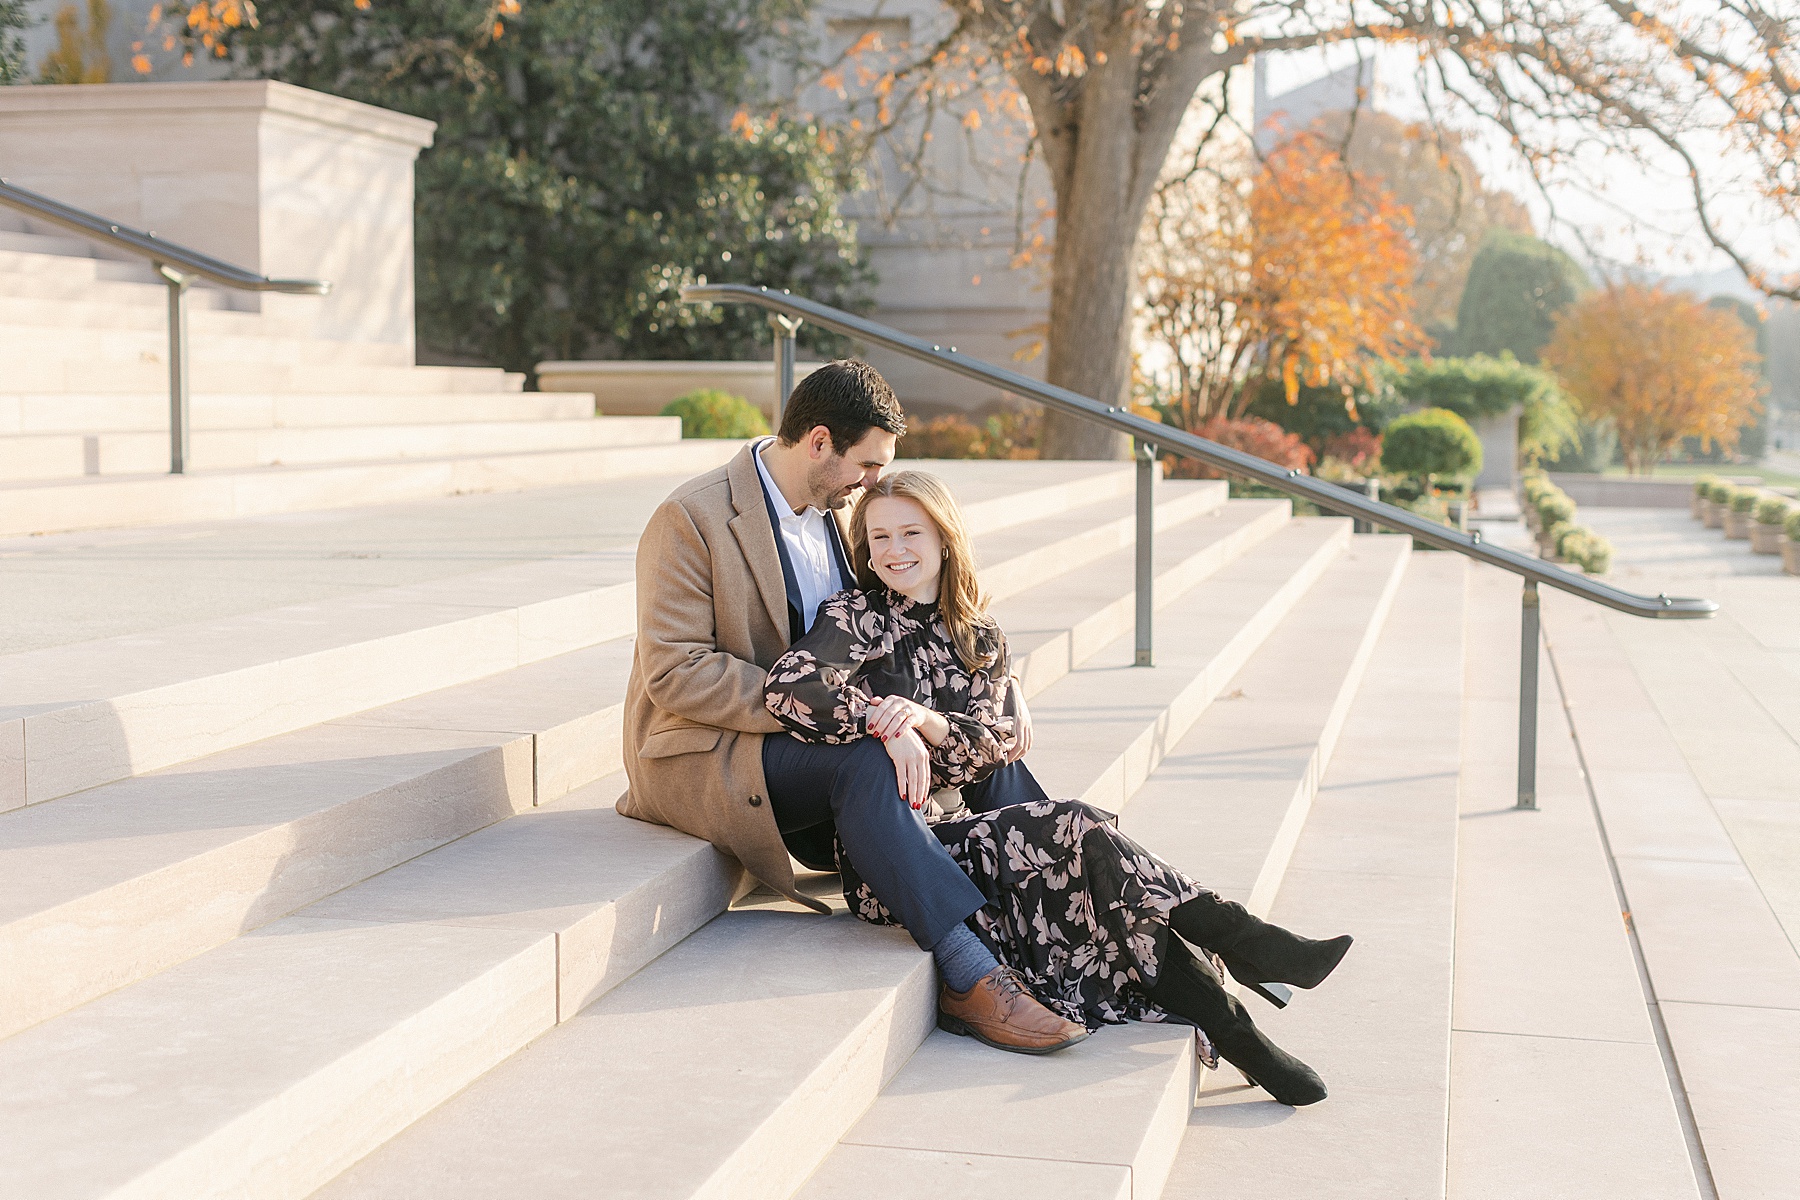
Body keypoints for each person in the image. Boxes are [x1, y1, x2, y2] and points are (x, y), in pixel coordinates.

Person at [761, 470, 1353, 1105]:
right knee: (1080, 827)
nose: (894, 550)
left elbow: (990, 749)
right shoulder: (856, 616)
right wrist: (882, 719)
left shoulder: (980, 637)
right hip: (898, 856)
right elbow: (789, 686)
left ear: (944, 538)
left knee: (1106, 882)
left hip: (975, 837)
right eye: (879, 537)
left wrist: (926, 721)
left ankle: (1242, 1035)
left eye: (911, 533)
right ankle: (1241, 943)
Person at [616, 360, 1085, 1056]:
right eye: (866, 464)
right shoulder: (691, 518)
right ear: (819, 443)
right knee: (869, 758)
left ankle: (1072, 907)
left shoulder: (836, 509)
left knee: (985, 752)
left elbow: (898, 623)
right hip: (715, 749)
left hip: (821, 742)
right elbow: (676, 674)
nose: (871, 483)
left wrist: (996, 693)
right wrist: (856, 714)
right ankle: (970, 974)